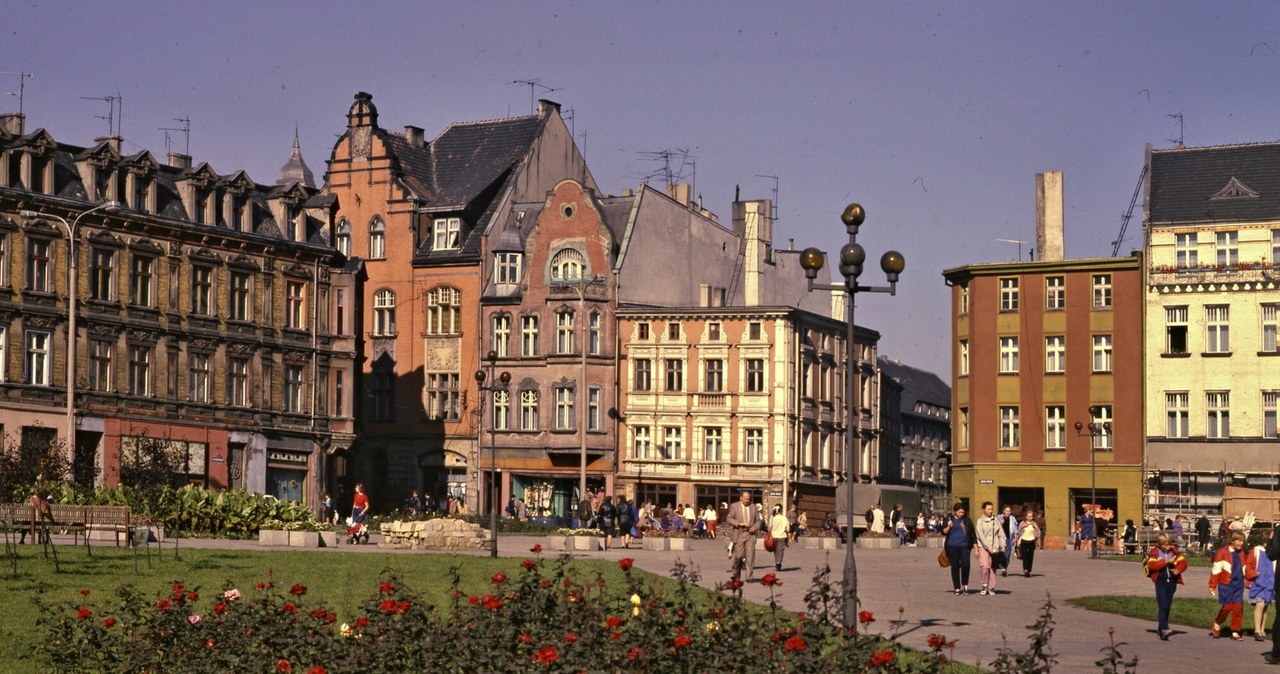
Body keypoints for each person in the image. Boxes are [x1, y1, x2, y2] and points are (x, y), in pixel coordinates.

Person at [1209, 531, 1256, 641]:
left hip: (1238, 584)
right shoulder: (1222, 552)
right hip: (1226, 584)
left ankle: (1235, 630)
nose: (1241, 543)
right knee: (1227, 607)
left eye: (1242, 541)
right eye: (1239, 541)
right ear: (1232, 541)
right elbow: (1216, 570)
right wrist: (1212, 585)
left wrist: (1249, 579)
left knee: (1238, 608)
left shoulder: (1241, 553)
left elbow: (1245, 568)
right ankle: (1217, 622)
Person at [1144, 531, 1188, 640]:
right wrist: (1166, 562)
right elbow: (1152, 566)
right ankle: (1165, 628)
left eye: (1170, 544)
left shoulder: (1174, 552)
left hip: (1172, 581)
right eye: (1166, 544)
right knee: (1163, 604)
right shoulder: (1155, 552)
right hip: (1160, 581)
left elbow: (1183, 563)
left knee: (1167, 605)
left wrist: (1178, 570)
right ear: (1159, 544)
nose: (1168, 546)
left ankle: (1161, 630)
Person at [726, 490, 762, 581]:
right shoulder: (735, 506)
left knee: (750, 556)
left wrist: (754, 528)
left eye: (748, 499)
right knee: (739, 556)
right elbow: (729, 519)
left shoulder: (753, 507)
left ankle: (749, 577)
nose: (747, 501)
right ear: (741, 498)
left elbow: (758, 521)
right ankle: (736, 574)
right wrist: (739, 523)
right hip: (739, 534)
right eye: (745, 499)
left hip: (751, 535)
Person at [942, 503, 976, 595]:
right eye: (959, 512)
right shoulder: (949, 519)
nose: (961, 514)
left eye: (963, 512)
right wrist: (949, 526)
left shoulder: (967, 520)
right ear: (955, 511)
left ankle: (965, 585)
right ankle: (957, 587)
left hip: (964, 546)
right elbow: (943, 532)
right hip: (952, 546)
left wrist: (976, 548)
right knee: (955, 566)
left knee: (966, 565)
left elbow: (973, 535)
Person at [974, 501, 1005, 596]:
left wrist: (1002, 544)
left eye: (992, 509)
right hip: (983, 547)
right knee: (985, 566)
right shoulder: (980, 521)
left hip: (995, 547)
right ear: (984, 509)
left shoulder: (995, 520)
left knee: (993, 567)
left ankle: (992, 587)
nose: (991, 511)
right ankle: (984, 585)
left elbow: (1000, 533)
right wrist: (988, 547)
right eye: (989, 509)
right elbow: (980, 535)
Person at [1253, 529, 1276, 642]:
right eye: (1267, 542)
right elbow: (1249, 564)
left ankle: (1262, 630)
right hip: (1259, 581)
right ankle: (1257, 630)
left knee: (1266, 606)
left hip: (1270, 583)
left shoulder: (1274, 553)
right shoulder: (1257, 550)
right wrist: (1251, 575)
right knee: (1260, 604)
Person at [1016, 510, 1041, 577]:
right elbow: (1018, 532)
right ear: (1026, 516)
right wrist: (1022, 527)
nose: (1029, 517)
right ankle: (1025, 570)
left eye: (1031, 516)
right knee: (1025, 556)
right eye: (1028, 516)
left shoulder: (1034, 523)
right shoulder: (1022, 523)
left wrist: (1036, 528)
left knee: (1030, 556)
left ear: (1032, 517)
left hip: (1031, 541)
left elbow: (1038, 534)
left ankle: (1029, 570)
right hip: (1024, 541)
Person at [768, 504, 790, 571]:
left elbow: (769, 528)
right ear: (781, 510)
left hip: (773, 536)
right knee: (780, 551)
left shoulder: (772, 517)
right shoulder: (784, 518)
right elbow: (788, 529)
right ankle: (778, 563)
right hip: (781, 536)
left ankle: (776, 562)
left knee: (775, 551)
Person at [998, 505, 1017, 577]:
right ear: (1003, 511)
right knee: (1001, 553)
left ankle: (1004, 568)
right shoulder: (999, 517)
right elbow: (995, 527)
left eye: (1009, 511)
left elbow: (1015, 528)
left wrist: (1016, 537)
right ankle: (1002, 566)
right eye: (1006, 511)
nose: (1008, 512)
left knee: (1007, 555)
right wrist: (1001, 523)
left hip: (1009, 539)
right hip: (1001, 538)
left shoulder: (1012, 518)